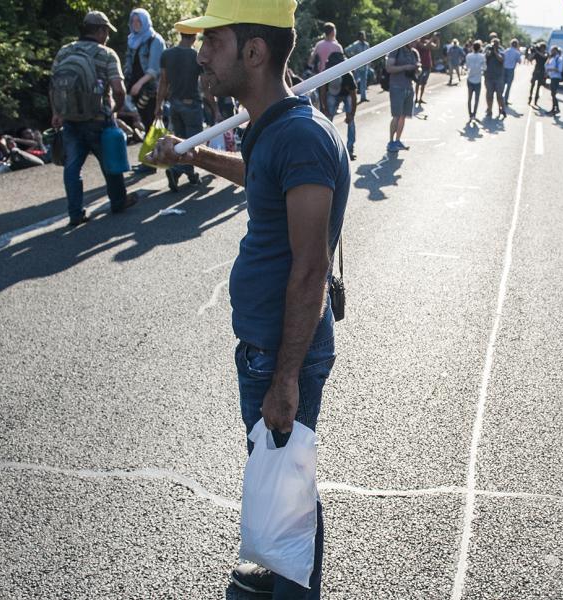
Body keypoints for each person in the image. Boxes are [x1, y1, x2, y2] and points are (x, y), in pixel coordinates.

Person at [150, 1, 349, 597]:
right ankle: (281, 572)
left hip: (284, 352)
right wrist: (194, 154)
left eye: (213, 43)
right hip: (266, 346)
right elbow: (261, 174)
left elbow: (310, 269)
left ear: (254, 53)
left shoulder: (300, 137)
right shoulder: (274, 130)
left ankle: (293, 586)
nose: (200, 56)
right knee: (280, 474)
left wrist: (285, 379)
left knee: (289, 485)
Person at [51, 10, 136, 228]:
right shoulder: (106, 54)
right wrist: (115, 109)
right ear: (99, 31)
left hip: (70, 119)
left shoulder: (64, 51)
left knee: (72, 167)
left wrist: (57, 112)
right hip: (99, 118)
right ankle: (118, 201)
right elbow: (119, 89)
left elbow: (55, 85)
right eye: (106, 31)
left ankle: (75, 213)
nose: (107, 35)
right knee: (110, 161)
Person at [156, 29, 206, 191]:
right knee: (193, 145)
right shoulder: (196, 57)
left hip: (174, 105)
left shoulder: (166, 54)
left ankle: (190, 175)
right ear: (194, 37)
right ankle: (177, 170)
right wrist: (214, 107)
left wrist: (158, 106)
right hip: (192, 105)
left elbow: (163, 82)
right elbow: (205, 85)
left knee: (179, 143)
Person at [123, 7, 166, 169]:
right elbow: (129, 65)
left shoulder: (155, 40)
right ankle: (151, 159)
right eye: (133, 21)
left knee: (150, 124)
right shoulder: (132, 40)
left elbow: (154, 69)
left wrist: (139, 83)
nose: (135, 24)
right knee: (144, 123)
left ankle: (151, 162)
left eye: (138, 21)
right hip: (135, 88)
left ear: (145, 21)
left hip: (150, 89)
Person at [322, 53, 358, 160]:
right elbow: (323, 92)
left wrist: (351, 114)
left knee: (351, 122)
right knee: (326, 121)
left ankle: (350, 149)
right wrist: (325, 109)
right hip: (331, 95)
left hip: (347, 95)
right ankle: (325, 149)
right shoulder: (327, 74)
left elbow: (354, 97)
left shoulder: (348, 77)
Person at [384, 41, 419, 153]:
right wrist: (405, 67)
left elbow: (418, 70)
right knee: (396, 116)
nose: (416, 42)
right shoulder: (396, 50)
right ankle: (391, 142)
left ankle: (398, 140)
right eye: (415, 39)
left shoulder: (414, 53)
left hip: (409, 87)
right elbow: (389, 68)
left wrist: (417, 69)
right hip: (397, 87)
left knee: (403, 116)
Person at [344, 31, 371, 102]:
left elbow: (369, 54)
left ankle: (363, 97)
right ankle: (351, 98)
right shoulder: (356, 44)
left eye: (363, 36)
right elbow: (347, 50)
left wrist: (369, 63)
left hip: (365, 66)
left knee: (363, 83)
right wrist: (353, 58)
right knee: (354, 83)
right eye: (361, 36)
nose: (363, 37)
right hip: (357, 66)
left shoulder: (366, 45)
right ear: (359, 37)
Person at [412, 33, 439, 106]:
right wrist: (432, 39)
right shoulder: (418, 41)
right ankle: (416, 98)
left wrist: (437, 39)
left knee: (424, 83)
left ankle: (420, 98)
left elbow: (436, 47)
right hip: (421, 65)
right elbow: (425, 47)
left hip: (428, 65)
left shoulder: (428, 41)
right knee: (418, 82)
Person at [483, 38, 506, 118]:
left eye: (496, 44)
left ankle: (502, 109)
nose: (494, 45)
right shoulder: (488, 50)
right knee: (489, 95)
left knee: (499, 95)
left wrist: (495, 52)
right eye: (493, 44)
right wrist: (490, 52)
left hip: (498, 77)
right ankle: (489, 109)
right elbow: (484, 58)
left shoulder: (501, 51)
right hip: (489, 77)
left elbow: (501, 59)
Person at [463, 40, 485, 122]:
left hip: (470, 78)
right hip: (478, 79)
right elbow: (484, 67)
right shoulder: (482, 56)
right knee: (476, 99)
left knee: (469, 98)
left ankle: (470, 114)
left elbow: (467, 66)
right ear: (480, 48)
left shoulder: (468, 56)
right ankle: (474, 114)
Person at [545, 46, 563, 115]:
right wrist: (548, 58)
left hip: (556, 78)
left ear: (555, 51)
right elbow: (546, 66)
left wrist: (551, 69)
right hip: (552, 77)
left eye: (552, 51)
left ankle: (556, 109)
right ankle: (555, 108)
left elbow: (560, 69)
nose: (551, 52)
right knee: (553, 94)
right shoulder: (552, 58)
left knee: (553, 94)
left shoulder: (559, 59)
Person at [502, 38, 522, 104]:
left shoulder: (506, 51)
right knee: (508, 86)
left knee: (502, 84)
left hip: (504, 68)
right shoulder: (517, 52)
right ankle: (505, 100)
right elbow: (519, 61)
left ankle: (501, 98)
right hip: (511, 69)